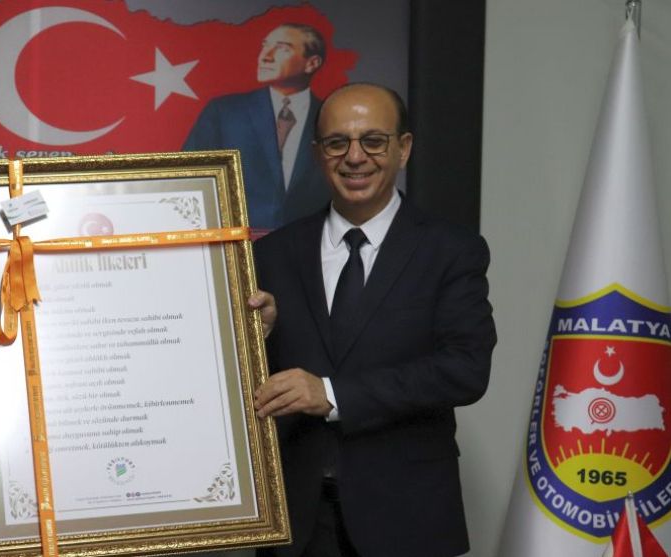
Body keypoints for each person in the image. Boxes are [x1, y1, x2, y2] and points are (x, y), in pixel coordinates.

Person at [252, 83, 496, 556]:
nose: (355, 157)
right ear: (318, 153)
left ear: (403, 148)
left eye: (373, 141)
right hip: (295, 522)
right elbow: (251, 385)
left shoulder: (451, 250)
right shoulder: (273, 254)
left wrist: (332, 394)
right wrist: (258, 339)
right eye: (337, 142)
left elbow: (466, 370)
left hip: (408, 517)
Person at [183, 23, 332, 233]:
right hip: (236, 244)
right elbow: (189, 180)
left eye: (282, 48)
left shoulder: (332, 119)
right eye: (265, 46)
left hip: (311, 244)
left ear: (312, 63)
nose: (265, 56)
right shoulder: (224, 112)